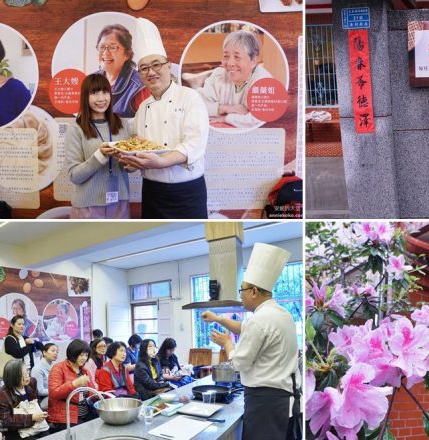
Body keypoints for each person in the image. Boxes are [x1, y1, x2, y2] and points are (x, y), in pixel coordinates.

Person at [203, 243, 300, 440]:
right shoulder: (281, 314)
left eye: (242, 290)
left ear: (254, 291)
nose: (241, 295)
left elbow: (238, 363)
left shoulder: (259, 320)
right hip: (284, 402)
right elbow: (247, 328)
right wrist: (217, 318)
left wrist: (227, 344)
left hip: (265, 403)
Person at [116, 17, 210, 219]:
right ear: (140, 74)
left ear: (168, 66)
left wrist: (162, 162)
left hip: (187, 192)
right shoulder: (142, 108)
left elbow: (195, 143)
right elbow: (141, 145)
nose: (151, 72)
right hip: (152, 191)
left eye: (156, 64)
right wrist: (133, 162)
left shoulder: (190, 97)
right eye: (144, 68)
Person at [65, 74, 132, 219]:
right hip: (87, 206)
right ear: (85, 97)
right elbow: (74, 176)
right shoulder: (76, 128)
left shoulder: (122, 124)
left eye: (105, 92)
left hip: (120, 202)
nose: (101, 98)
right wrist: (100, 156)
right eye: (94, 93)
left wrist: (132, 163)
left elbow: (128, 166)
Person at [195, 29, 273, 129]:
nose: (230, 63)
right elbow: (195, 104)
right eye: (226, 56)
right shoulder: (219, 75)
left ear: (253, 61)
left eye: (237, 57)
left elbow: (258, 118)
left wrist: (227, 118)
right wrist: (225, 108)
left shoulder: (263, 81)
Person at [93, 24, 149, 118]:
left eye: (113, 47)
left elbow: (146, 125)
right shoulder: (91, 80)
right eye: (102, 47)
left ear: (127, 54)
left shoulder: (139, 86)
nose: (105, 53)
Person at [47, 339, 97, 431]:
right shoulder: (58, 368)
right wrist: (75, 383)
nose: (84, 358)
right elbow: (54, 393)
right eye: (81, 355)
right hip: (65, 416)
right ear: (73, 353)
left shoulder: (84, 370)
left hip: (85, 412)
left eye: (86, 355)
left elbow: (90, 394)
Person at [0, 360, 47, 440]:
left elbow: (36, 404)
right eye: (23, 374)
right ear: (13, 377)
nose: (27, 376)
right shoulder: (3, 395)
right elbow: (6, 422)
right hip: (16, 431)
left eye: (27, 372)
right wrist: (31, 418)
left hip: (37, 425)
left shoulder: (32, 382)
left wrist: (41, 415)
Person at [30, 343, 57, 410]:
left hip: (50, 396)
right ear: (44, 352)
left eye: (57, 352)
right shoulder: (37, 369)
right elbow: (40, 391)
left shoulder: (53, 367)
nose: (55, 353)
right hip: (42, 400)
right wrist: (57, 391)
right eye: (53, 351)